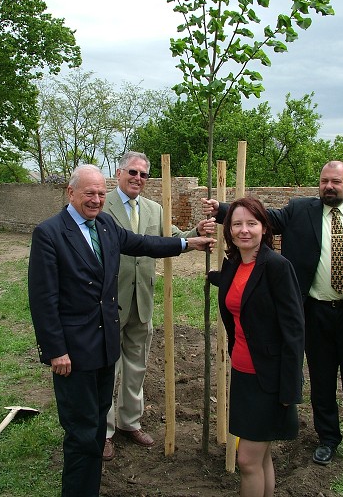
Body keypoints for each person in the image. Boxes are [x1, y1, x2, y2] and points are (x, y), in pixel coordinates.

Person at [28, 164, 215, 497]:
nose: (97, 199)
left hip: (105, 346)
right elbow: (43, 299)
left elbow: (144, 243)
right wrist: (55, 349)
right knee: (81, 432)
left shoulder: (105, 226)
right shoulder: (50, 233)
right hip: (73, 353)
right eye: (90, 193)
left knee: (97, 425)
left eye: (101, 193)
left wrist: (189, 243)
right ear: (70, 193)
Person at [203, 161, 343, 471]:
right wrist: (222, 209)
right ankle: (328, 439)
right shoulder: (301, 210)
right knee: (322, 378)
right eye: (324, 180)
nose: (329, 186)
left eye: (336, 181)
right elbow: (264, 217)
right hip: (313, 312)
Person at [102, 151, 215, 460]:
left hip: (143, 299)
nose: (138, 178)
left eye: (143, 174)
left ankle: (129, 422)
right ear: (119, 172)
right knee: (108, 368)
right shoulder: (104, 206)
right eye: (132, 172)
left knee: (137, 364)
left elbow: (173, 237)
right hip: (110, 300)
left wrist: (198, 233)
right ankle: (105, 430)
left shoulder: (154, 209)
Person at [208, 197, 305, 497]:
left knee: (247, 460)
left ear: (264, 228)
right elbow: (239, 291)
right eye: (237, 224)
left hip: (269, 379)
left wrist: (290, 387)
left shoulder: (277, 267)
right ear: (229, 230)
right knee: (261, 456)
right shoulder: (235, 265)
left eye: (252, 224)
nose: (244, 230)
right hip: (243, 374)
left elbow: (294, 330)